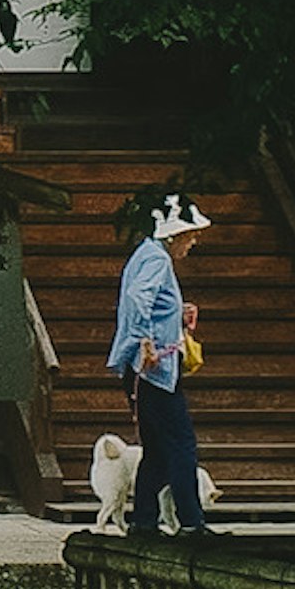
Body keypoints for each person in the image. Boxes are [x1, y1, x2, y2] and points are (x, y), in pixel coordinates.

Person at [110, 198, 216, 535]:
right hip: (153, 370)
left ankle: (143, 519)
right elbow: (138, 299)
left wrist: (175, 314)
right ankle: (191, 521)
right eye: (190, 235)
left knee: (156, 448)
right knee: (181, 443)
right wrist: (146, 344)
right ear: (176, 235)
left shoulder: (146, 254)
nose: (193, 242)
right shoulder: (157, 259)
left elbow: (148, 303)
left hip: (145, 369)